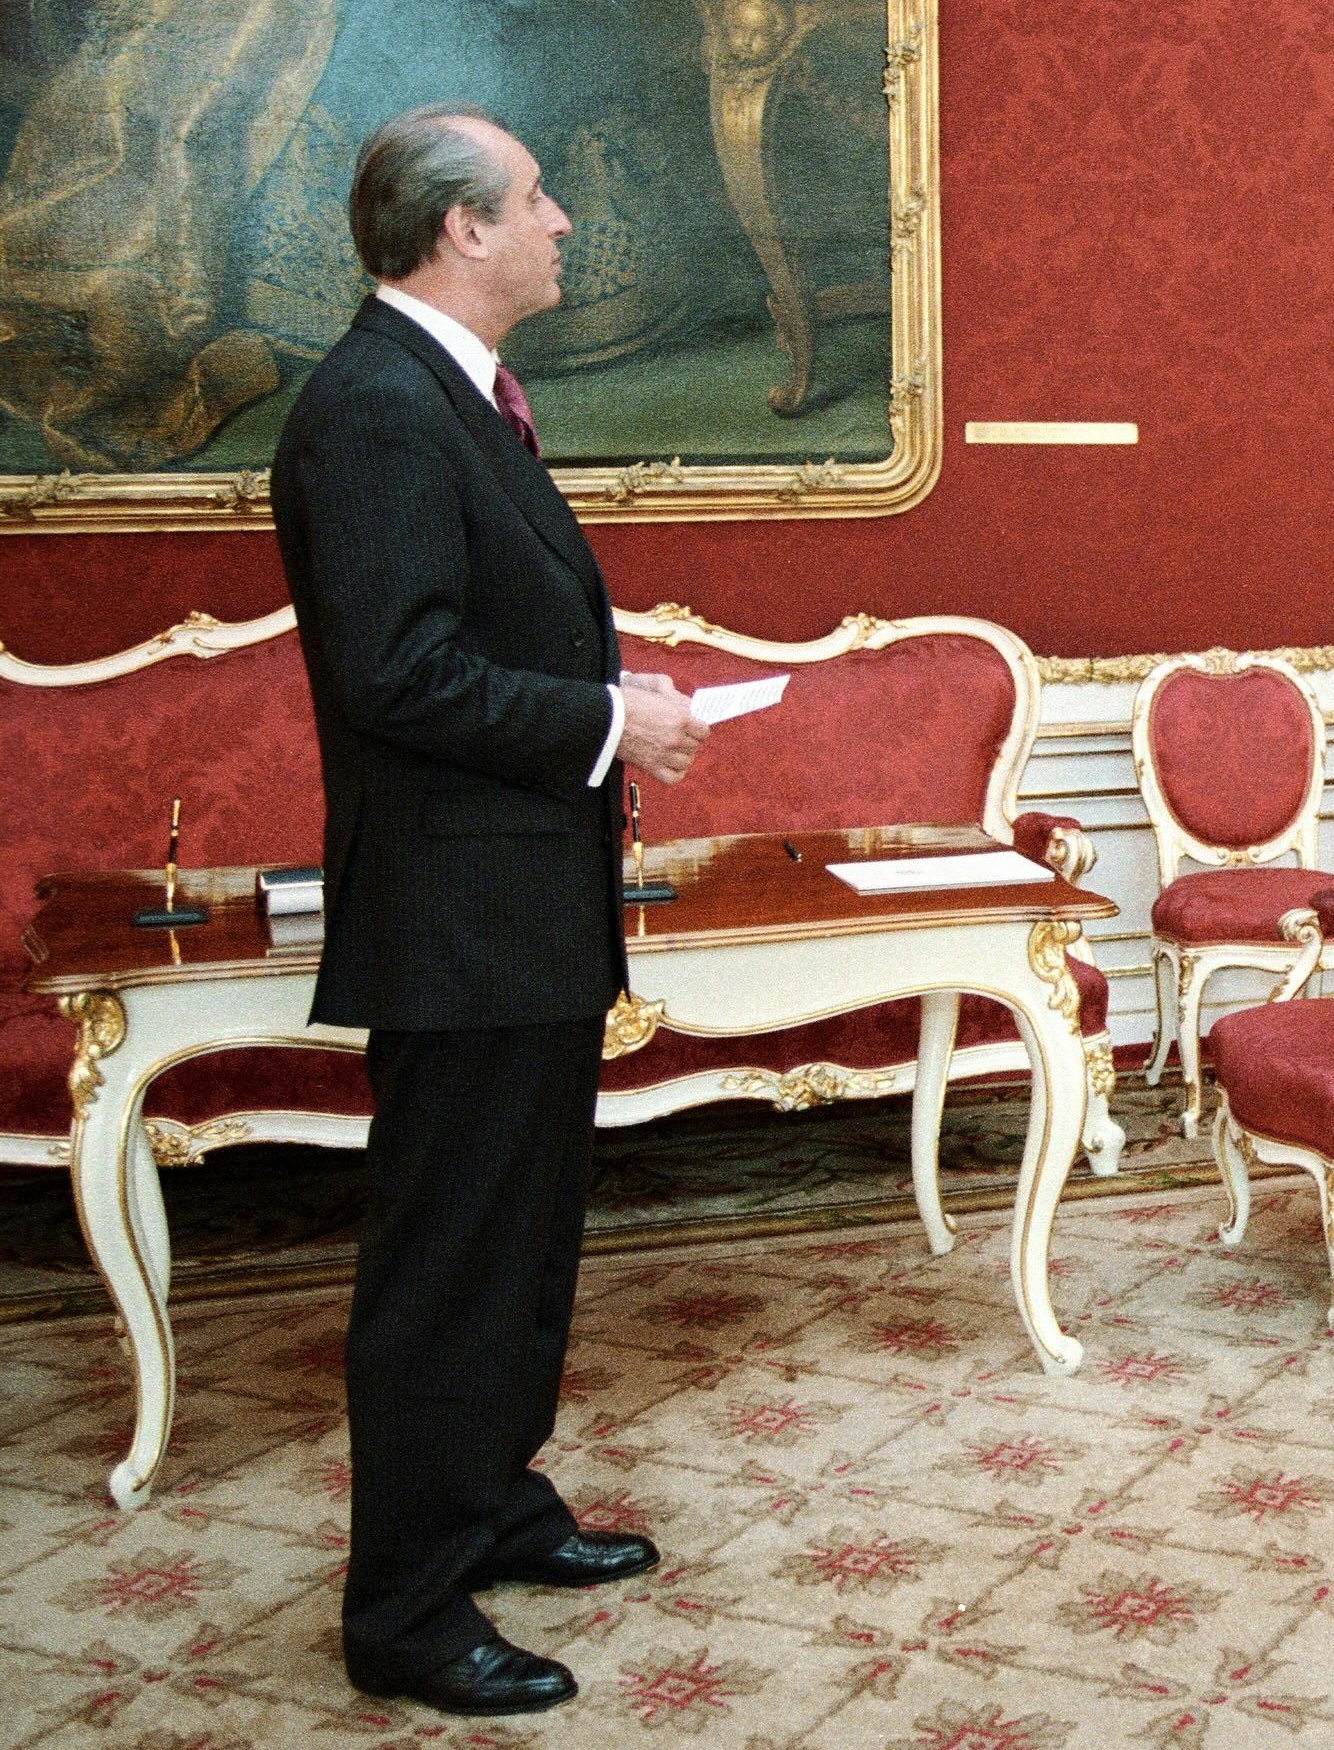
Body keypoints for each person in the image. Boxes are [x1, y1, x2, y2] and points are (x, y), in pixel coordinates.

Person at [275, 104, 711, 1717]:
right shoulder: (380, 408)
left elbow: (464, 644)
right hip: (460, 919)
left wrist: (601, 693)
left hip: (513, 908)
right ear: (461, 229)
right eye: (538, 198)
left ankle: (493, 1506)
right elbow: (397, 675)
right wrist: (610, 721)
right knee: (450, 1263)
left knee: (520, 1245)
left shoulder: (448, 398)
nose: (564, 224)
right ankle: (401, 1609)